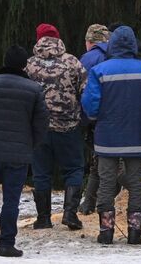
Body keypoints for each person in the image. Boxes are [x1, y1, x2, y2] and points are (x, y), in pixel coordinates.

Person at [81, 25, 141, 245]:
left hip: (107, 136)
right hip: (136, 135)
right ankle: (135, 232)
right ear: (133, 44)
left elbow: (90, 107)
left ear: (113, 44)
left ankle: (106, 232)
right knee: (135, 183)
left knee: (106, 182)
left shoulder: (100, 71)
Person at [0, 45, 50, 257]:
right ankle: (6, 243)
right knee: (11, 199)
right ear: (24, 64)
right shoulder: (33, 89)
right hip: (18, 153)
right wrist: (30, 144)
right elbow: (41, 124)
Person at [26, 23, 88, 231]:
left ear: (39, 39)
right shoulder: (72, 62)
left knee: (41, 173)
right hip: (68, 126)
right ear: (58, 38)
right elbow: (86, 91)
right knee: (74, 169)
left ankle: (43, 218)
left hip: (39, 129)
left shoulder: (30, 65)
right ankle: (70, 214)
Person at [77, 23, 112, 215]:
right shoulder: (117, 55)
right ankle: (88, 203)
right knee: (100, 163)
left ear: (89, 41)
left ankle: (90, 204)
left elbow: (85, 91)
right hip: (115, 116)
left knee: (101, 162)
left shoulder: (88, 58)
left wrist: (84, 119)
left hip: (95, 118)